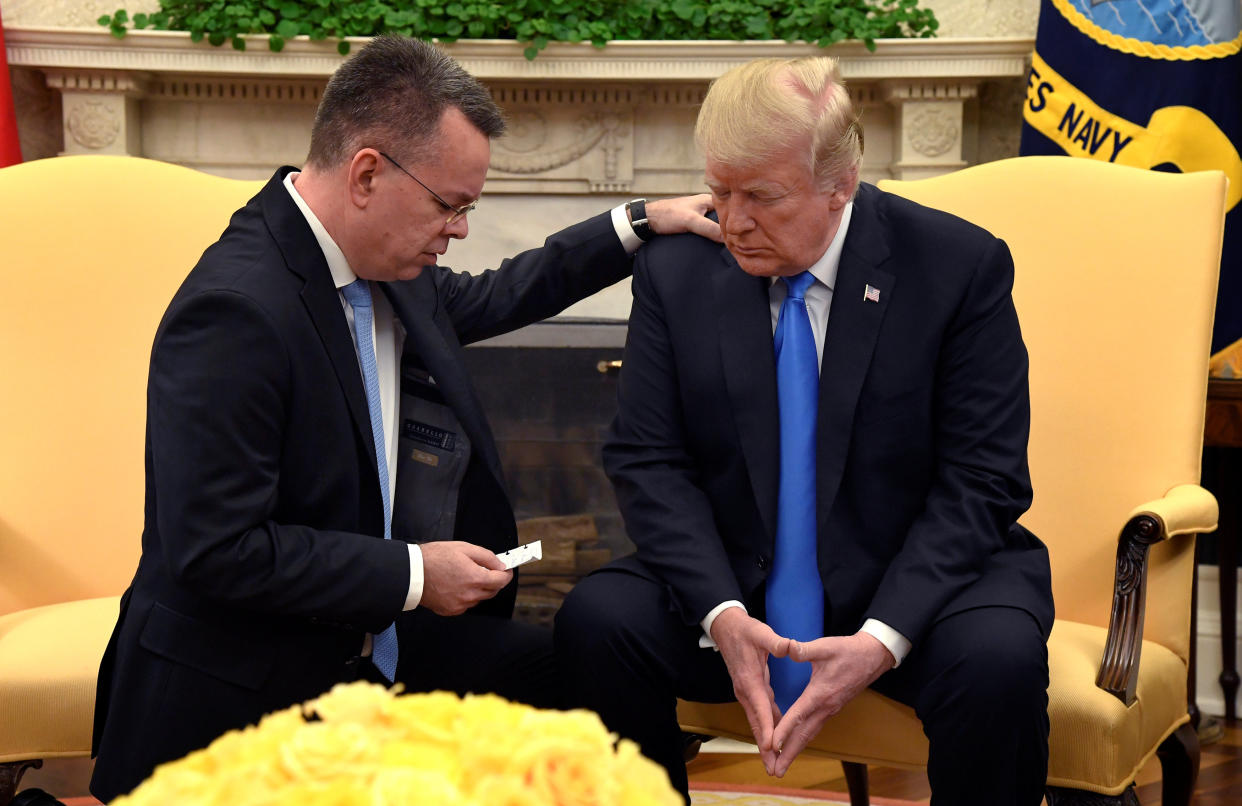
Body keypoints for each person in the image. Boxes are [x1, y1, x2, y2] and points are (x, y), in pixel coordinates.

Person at [89, 34, 719, 802]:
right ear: (366, 174)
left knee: (597, 666)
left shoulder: (383, 264)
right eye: (450, 205)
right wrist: (417, 574)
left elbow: (499, 293)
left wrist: (641, 221)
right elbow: (219, 552)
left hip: (368, 640)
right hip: (249, 682)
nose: (459, 229)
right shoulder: (237, 310)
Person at [555, 56, 1055, 805]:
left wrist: (882, 637)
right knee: (598, 623)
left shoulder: (956, 265)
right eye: (720, 191)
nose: (733, 220)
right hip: (737, 576)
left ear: (840, 185)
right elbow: (648, 460)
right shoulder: (678, 268)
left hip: (908, 576)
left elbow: (983, 479)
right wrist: (721, 613)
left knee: (998, 661)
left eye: (762, 196)